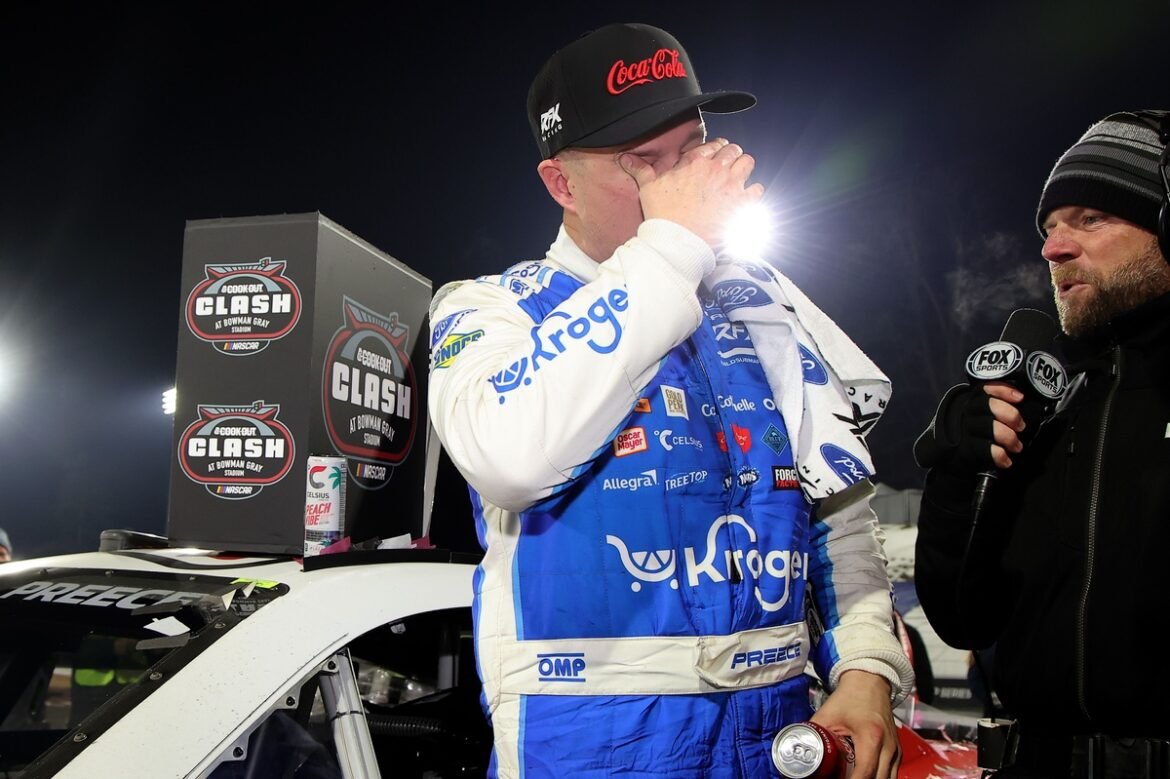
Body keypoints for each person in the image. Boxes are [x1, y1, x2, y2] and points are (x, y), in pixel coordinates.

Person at [427, 22, 913, 779]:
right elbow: (509, 457)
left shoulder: (764, 306)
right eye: (643, 163)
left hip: (779, 730)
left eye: (690, 150)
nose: (682, 181)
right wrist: (673, 243)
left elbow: (842, 518)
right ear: (561, 185)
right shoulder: (490, 308)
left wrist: (866, 670)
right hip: (589, 742)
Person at [913, 109, 1170, 778]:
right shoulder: (1042, 404)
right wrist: (960, 477)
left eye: (1089, 219)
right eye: (1050, 228)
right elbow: (962, 618)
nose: (1054, 248)